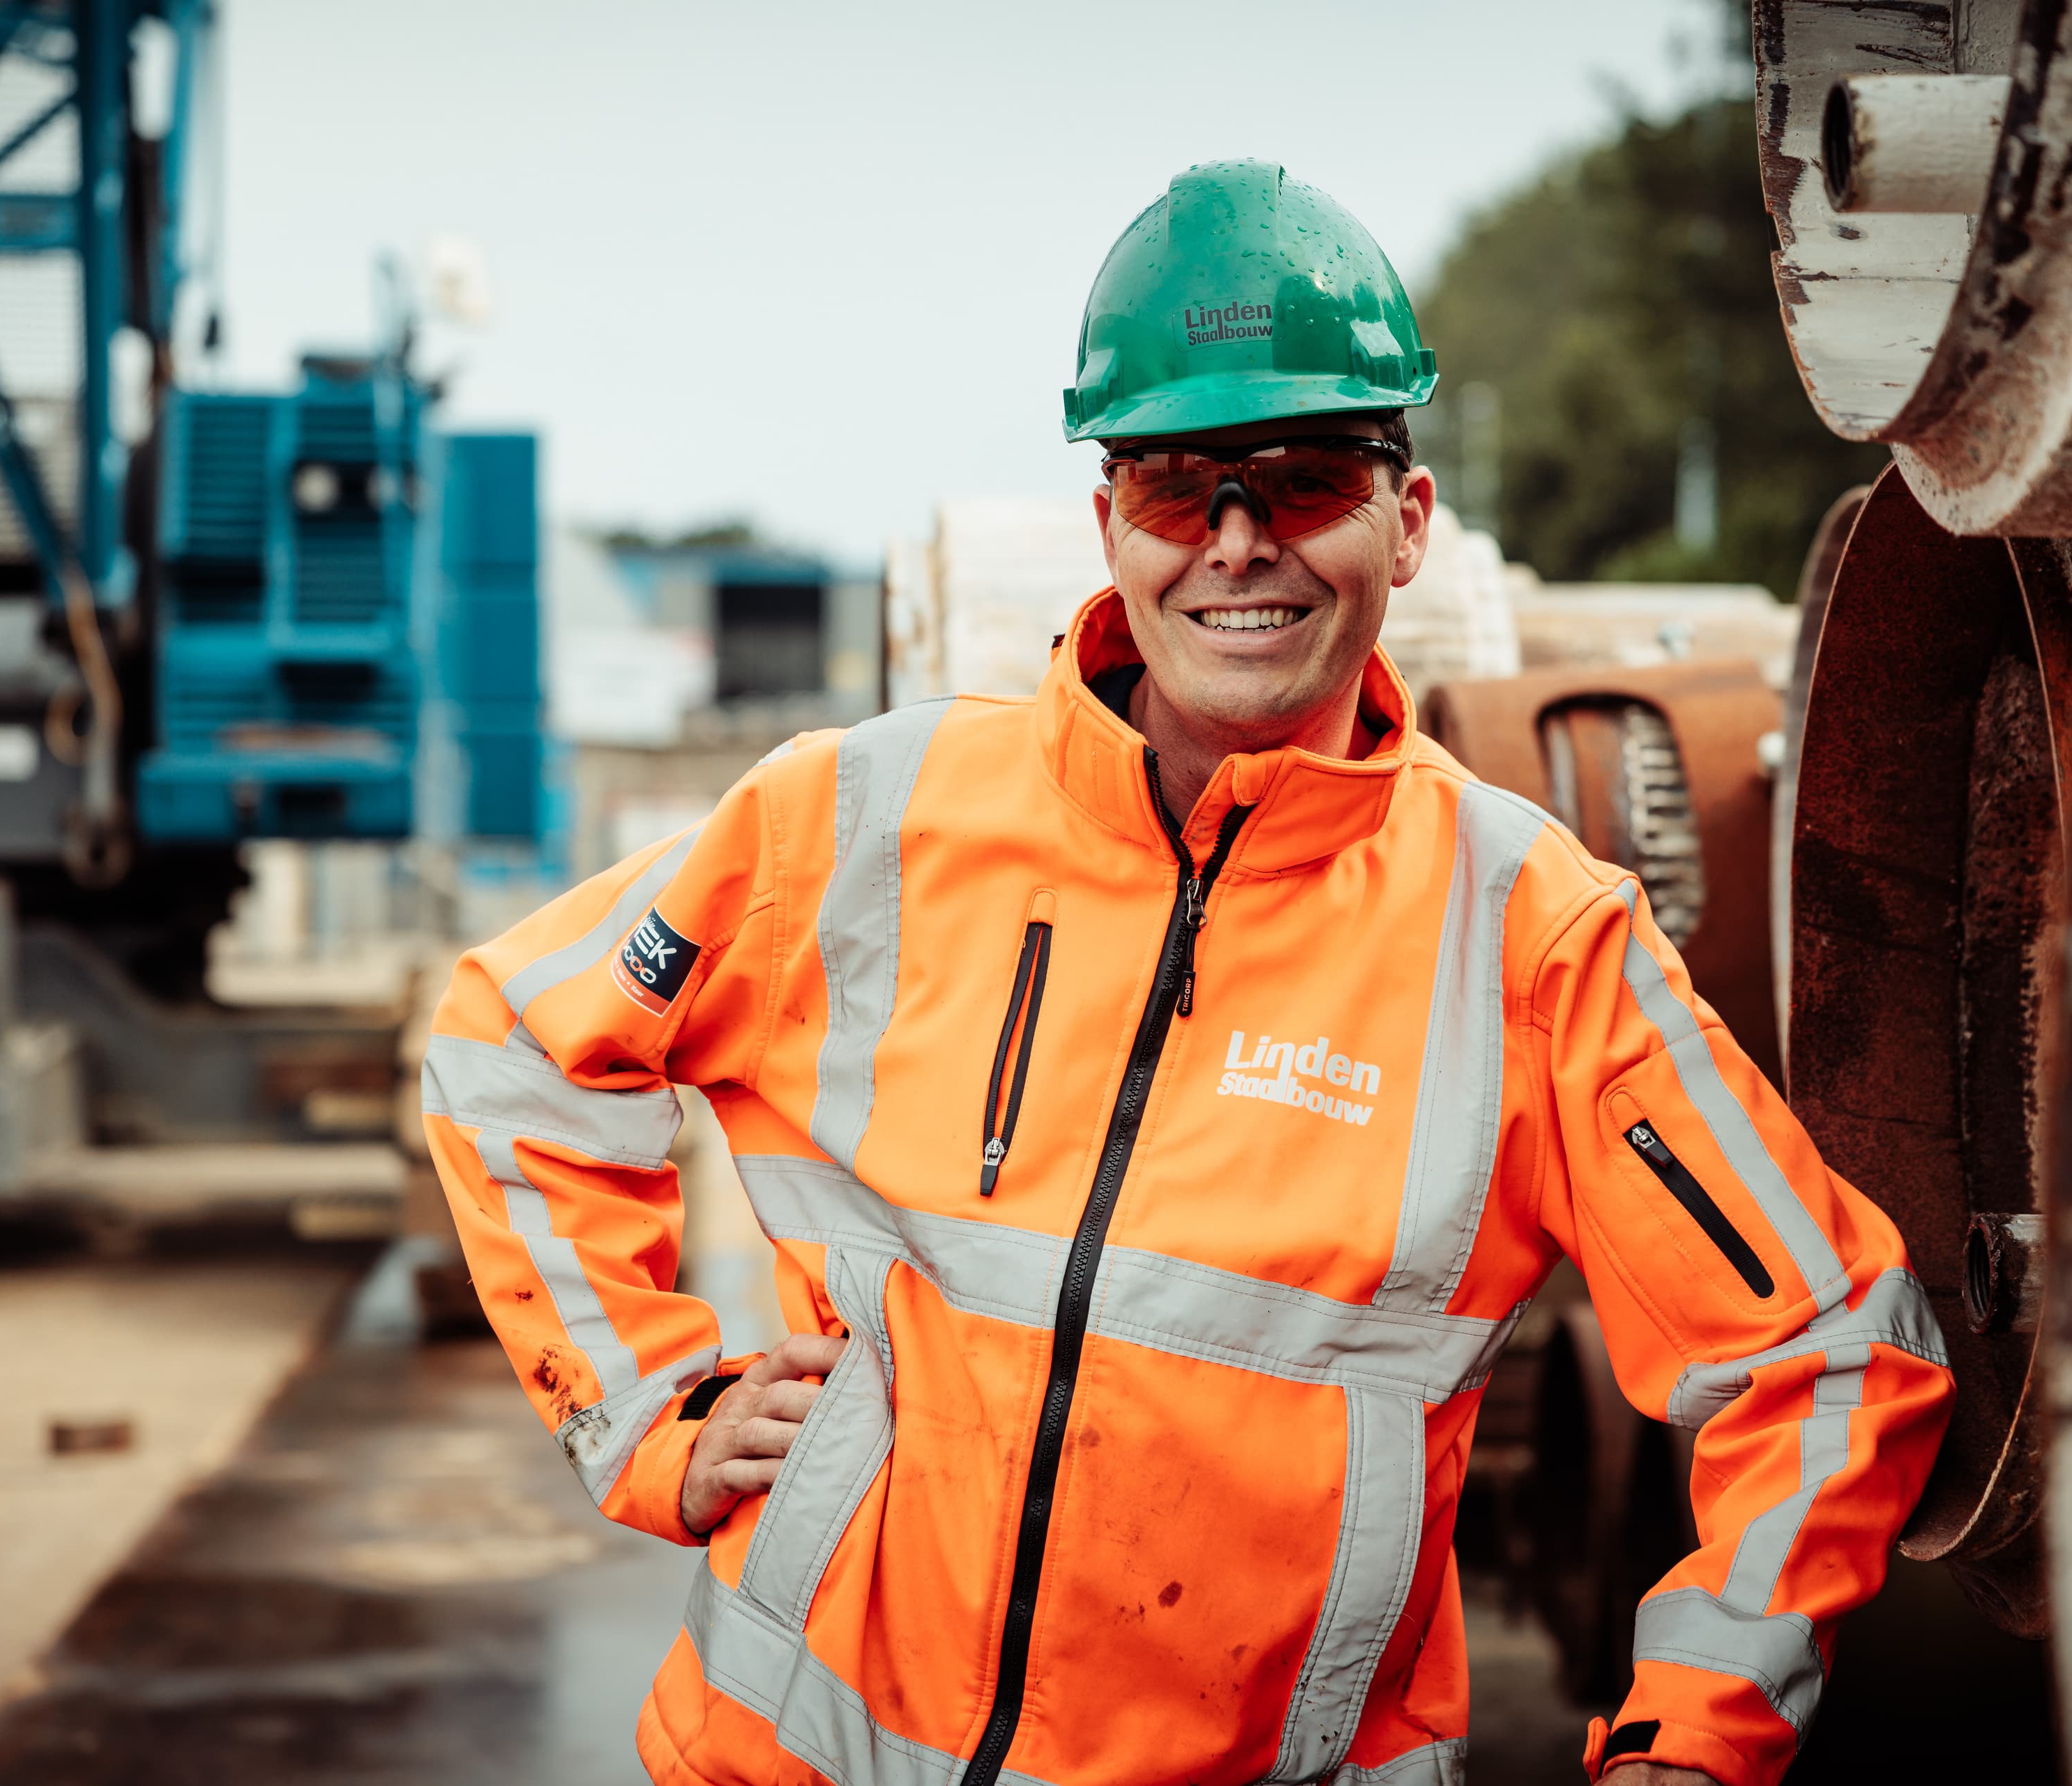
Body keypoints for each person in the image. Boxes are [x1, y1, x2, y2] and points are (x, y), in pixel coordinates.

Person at [423, 160, 1950, 1786]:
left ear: (1406, 522)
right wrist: (653, 1410)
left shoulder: (1528, 937)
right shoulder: (858, 820)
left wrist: (1693, 1740)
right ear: (1110, 527)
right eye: (1176, 490)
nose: (1236, 546)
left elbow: (1834, 1352)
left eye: (1299, 482)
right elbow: (512, 1040)